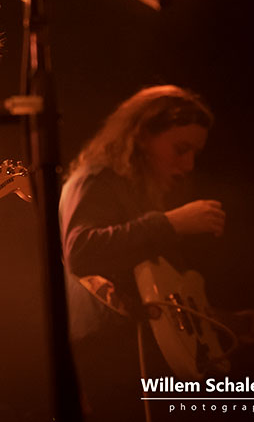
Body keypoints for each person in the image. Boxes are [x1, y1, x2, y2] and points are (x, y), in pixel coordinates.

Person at [59, 85, 223, 420]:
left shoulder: (136, 190)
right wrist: (170, 224)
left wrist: (225, 323)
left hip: (137, 353)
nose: (189, 164)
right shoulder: (96, 179)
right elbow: (80, 250)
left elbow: (164, 294)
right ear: (142, 135)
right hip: (108, 354)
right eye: (180, 149)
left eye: (195, 152)